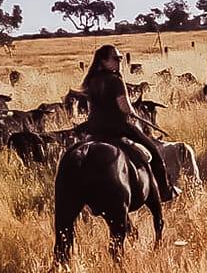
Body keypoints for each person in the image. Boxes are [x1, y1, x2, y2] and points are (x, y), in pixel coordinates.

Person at [73, 45, 177, 201]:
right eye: (116, 58)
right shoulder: (116, 80)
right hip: (117, 128)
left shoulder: (91, 81)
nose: (119, 61)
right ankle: (165, 192)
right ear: (103, 61)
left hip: (94, 128)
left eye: (120, 58)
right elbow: (125, 107)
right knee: (153, 152)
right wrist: (133, 112)